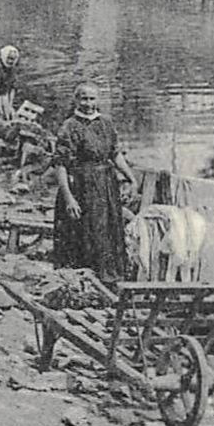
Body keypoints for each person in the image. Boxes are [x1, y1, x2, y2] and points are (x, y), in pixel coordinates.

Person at [51, 83, 135, 283]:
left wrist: (131, 178)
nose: (88, 104)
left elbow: (115, 154)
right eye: (84, 99)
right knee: (85, 233)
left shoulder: (106, 123)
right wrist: (69, 198)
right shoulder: (70, 126)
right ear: (76, 100)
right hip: (81, 186)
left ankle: (110, 279)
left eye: (92, 99)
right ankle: (85, 281)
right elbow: (60, 165)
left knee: (107, 231)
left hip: (105, 186)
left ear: (98, 100)